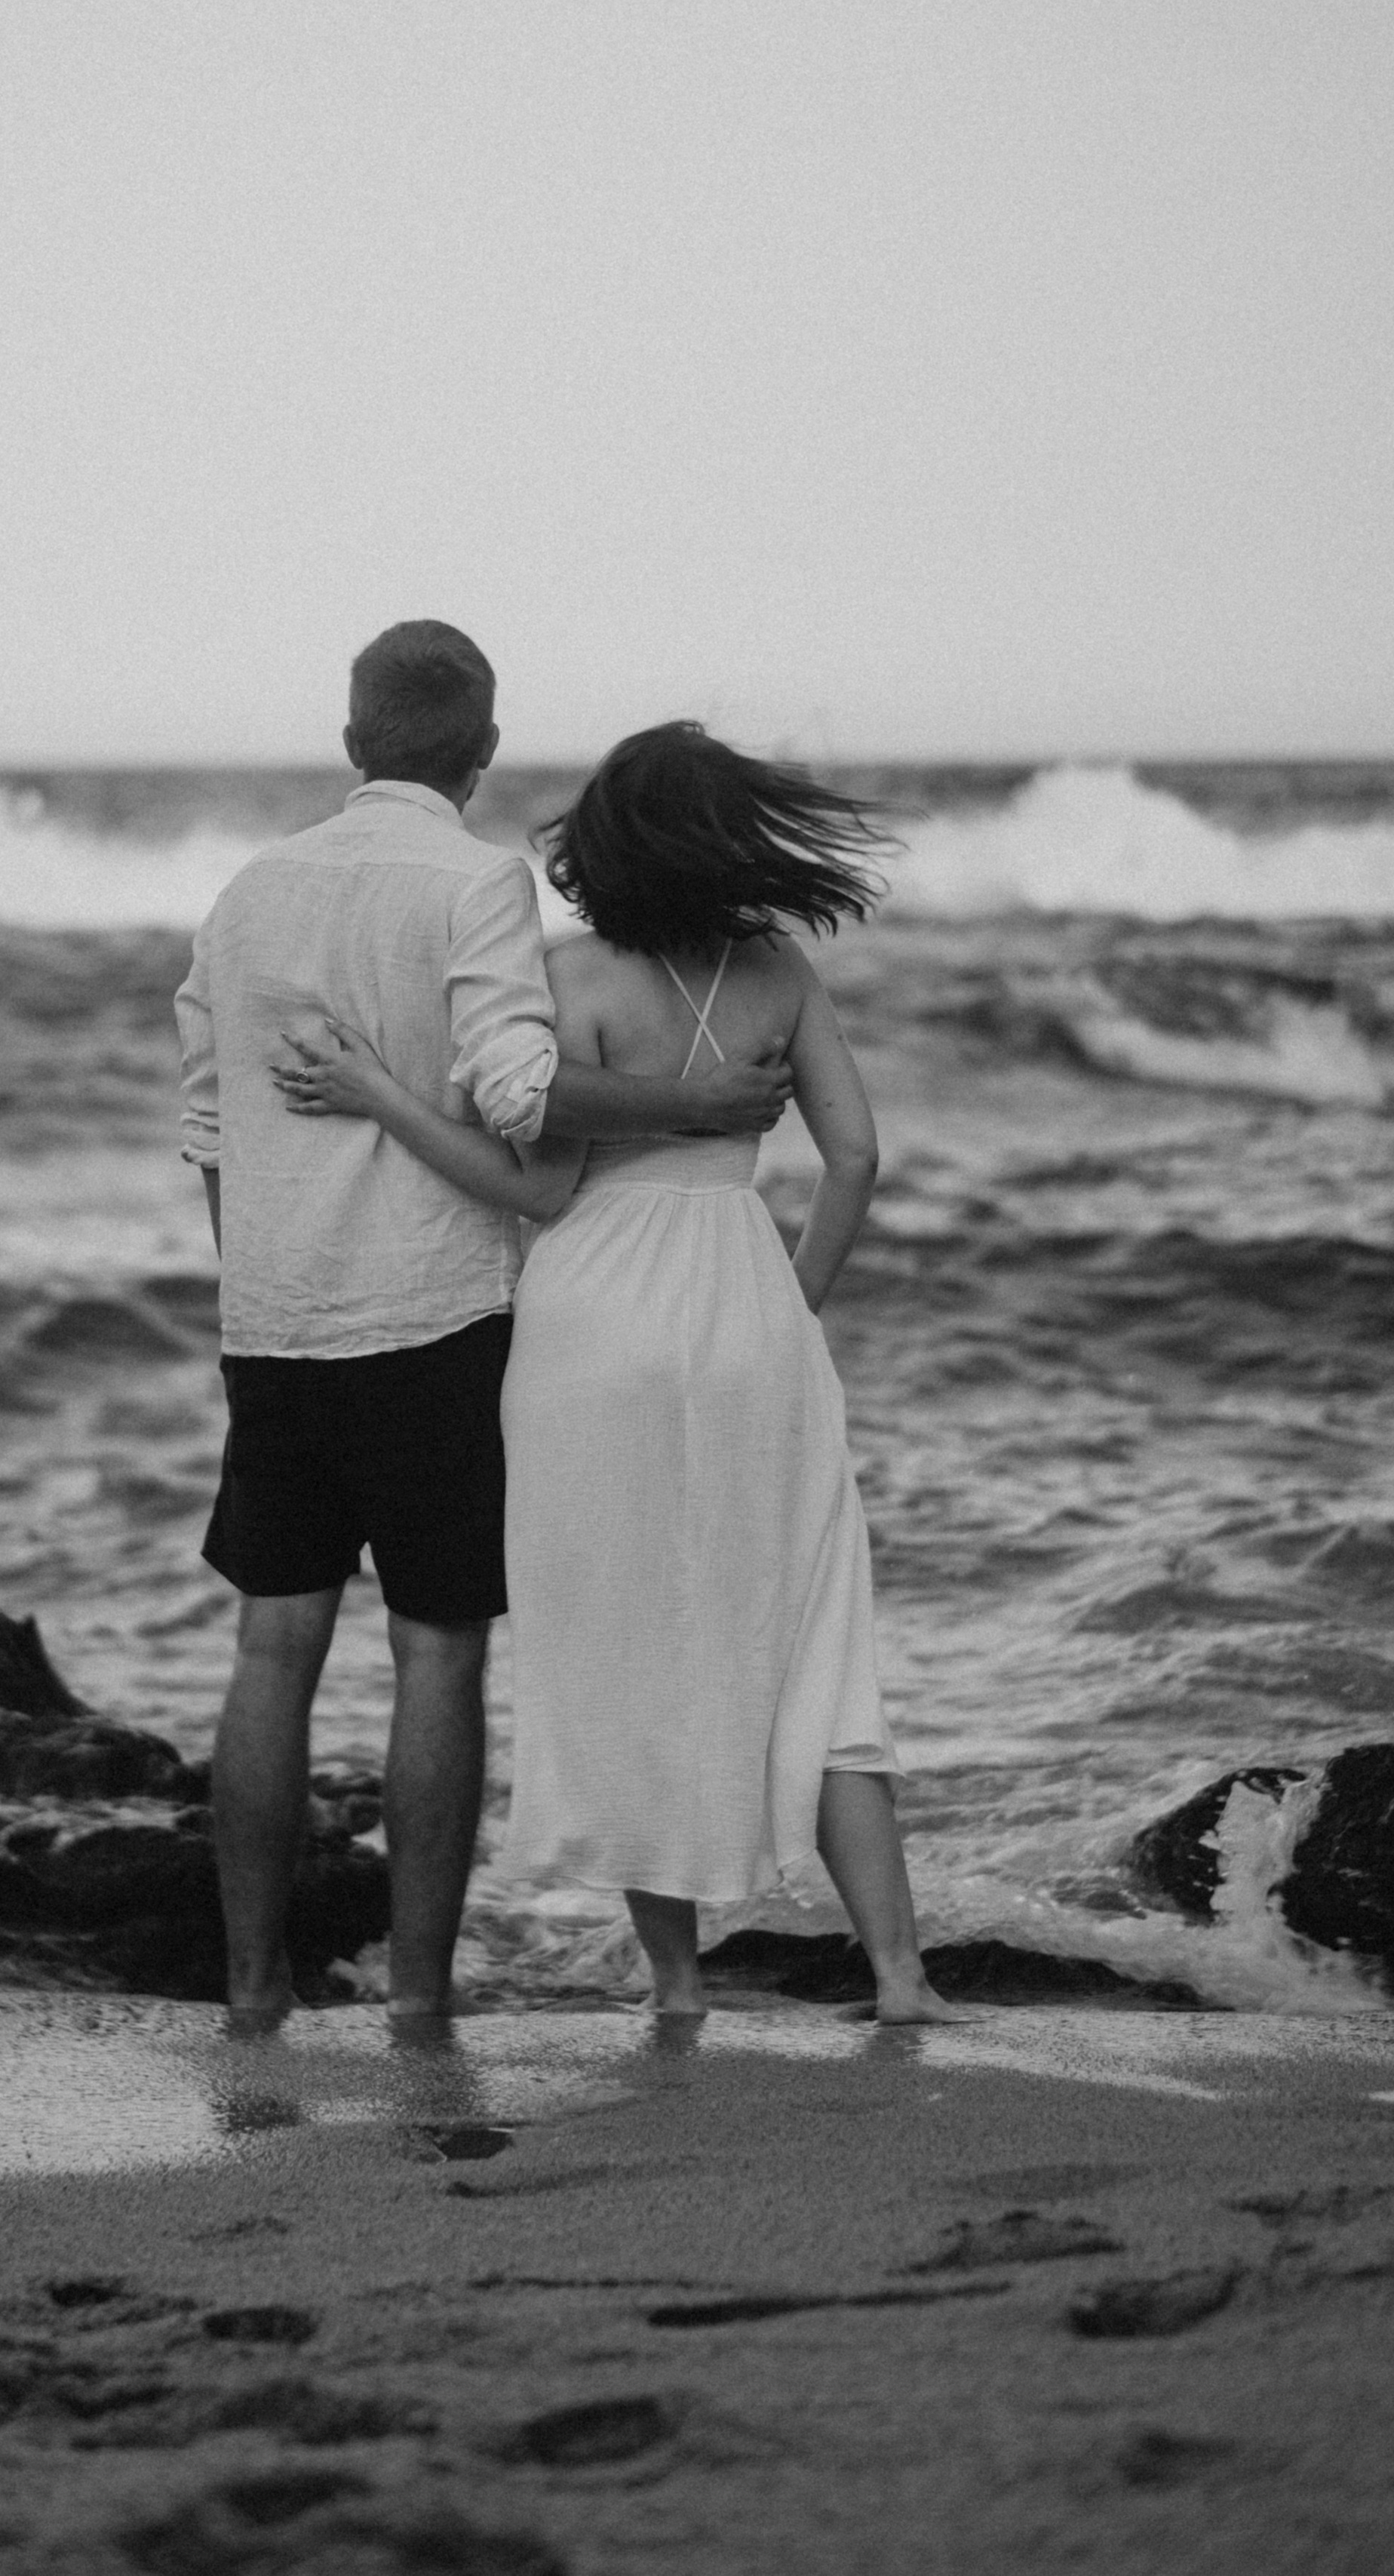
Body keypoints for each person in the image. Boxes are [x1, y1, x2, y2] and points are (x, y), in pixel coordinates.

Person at [275, 718, 973, 2023]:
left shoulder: (571, 974)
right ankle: (900, 1974)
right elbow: (858, 1158)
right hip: (748, 1308)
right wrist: (791, 1301)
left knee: (625, 1652)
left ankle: (679, 1981)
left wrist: (379, 1095)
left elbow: (528, 1182)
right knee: (816, 1651)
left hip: (595, 1323)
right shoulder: (780, 973)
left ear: (608, 842)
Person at [176, 636, 800, 2021]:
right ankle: (415, 1998)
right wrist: (699, 1106)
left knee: (271, 1650)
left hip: (273, 1323)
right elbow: (526, 1095)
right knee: (437, 1651)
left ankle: (249, 1993)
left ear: (350, 737)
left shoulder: (244, 892)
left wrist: (265, 1272)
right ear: (483, 750)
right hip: (434, 1316)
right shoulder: (475, 882)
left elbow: (209, 1124)